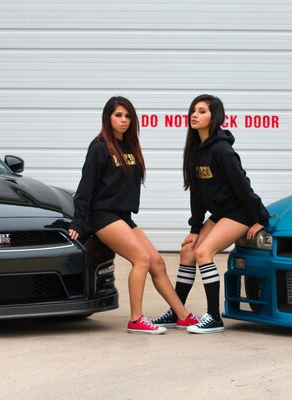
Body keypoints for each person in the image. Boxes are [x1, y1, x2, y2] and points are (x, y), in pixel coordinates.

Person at [68, 96, 199, 334]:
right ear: (108, 117)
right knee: (142, 259)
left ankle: (182, 315)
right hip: (103, 215)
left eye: (128, 116)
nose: (124, 120)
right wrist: (79, 221)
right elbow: (84, 189)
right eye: (118, 115)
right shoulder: (99, 147)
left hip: (123, 216)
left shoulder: (129, 147)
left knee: (157, 262)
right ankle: (136, 319)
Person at [153, 94, 269, 334]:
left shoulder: (222, 150)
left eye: (202, 111)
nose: (195, 114)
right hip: (221, 212)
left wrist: (261, 218)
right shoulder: (195, 150)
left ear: (214, 117)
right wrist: (195, 228)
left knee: (204, 253)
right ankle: (177, 311)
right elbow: (196, 194)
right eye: (194, 110)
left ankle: (214, 317)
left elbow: (242, 186)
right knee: (188, 250)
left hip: (240, 212)